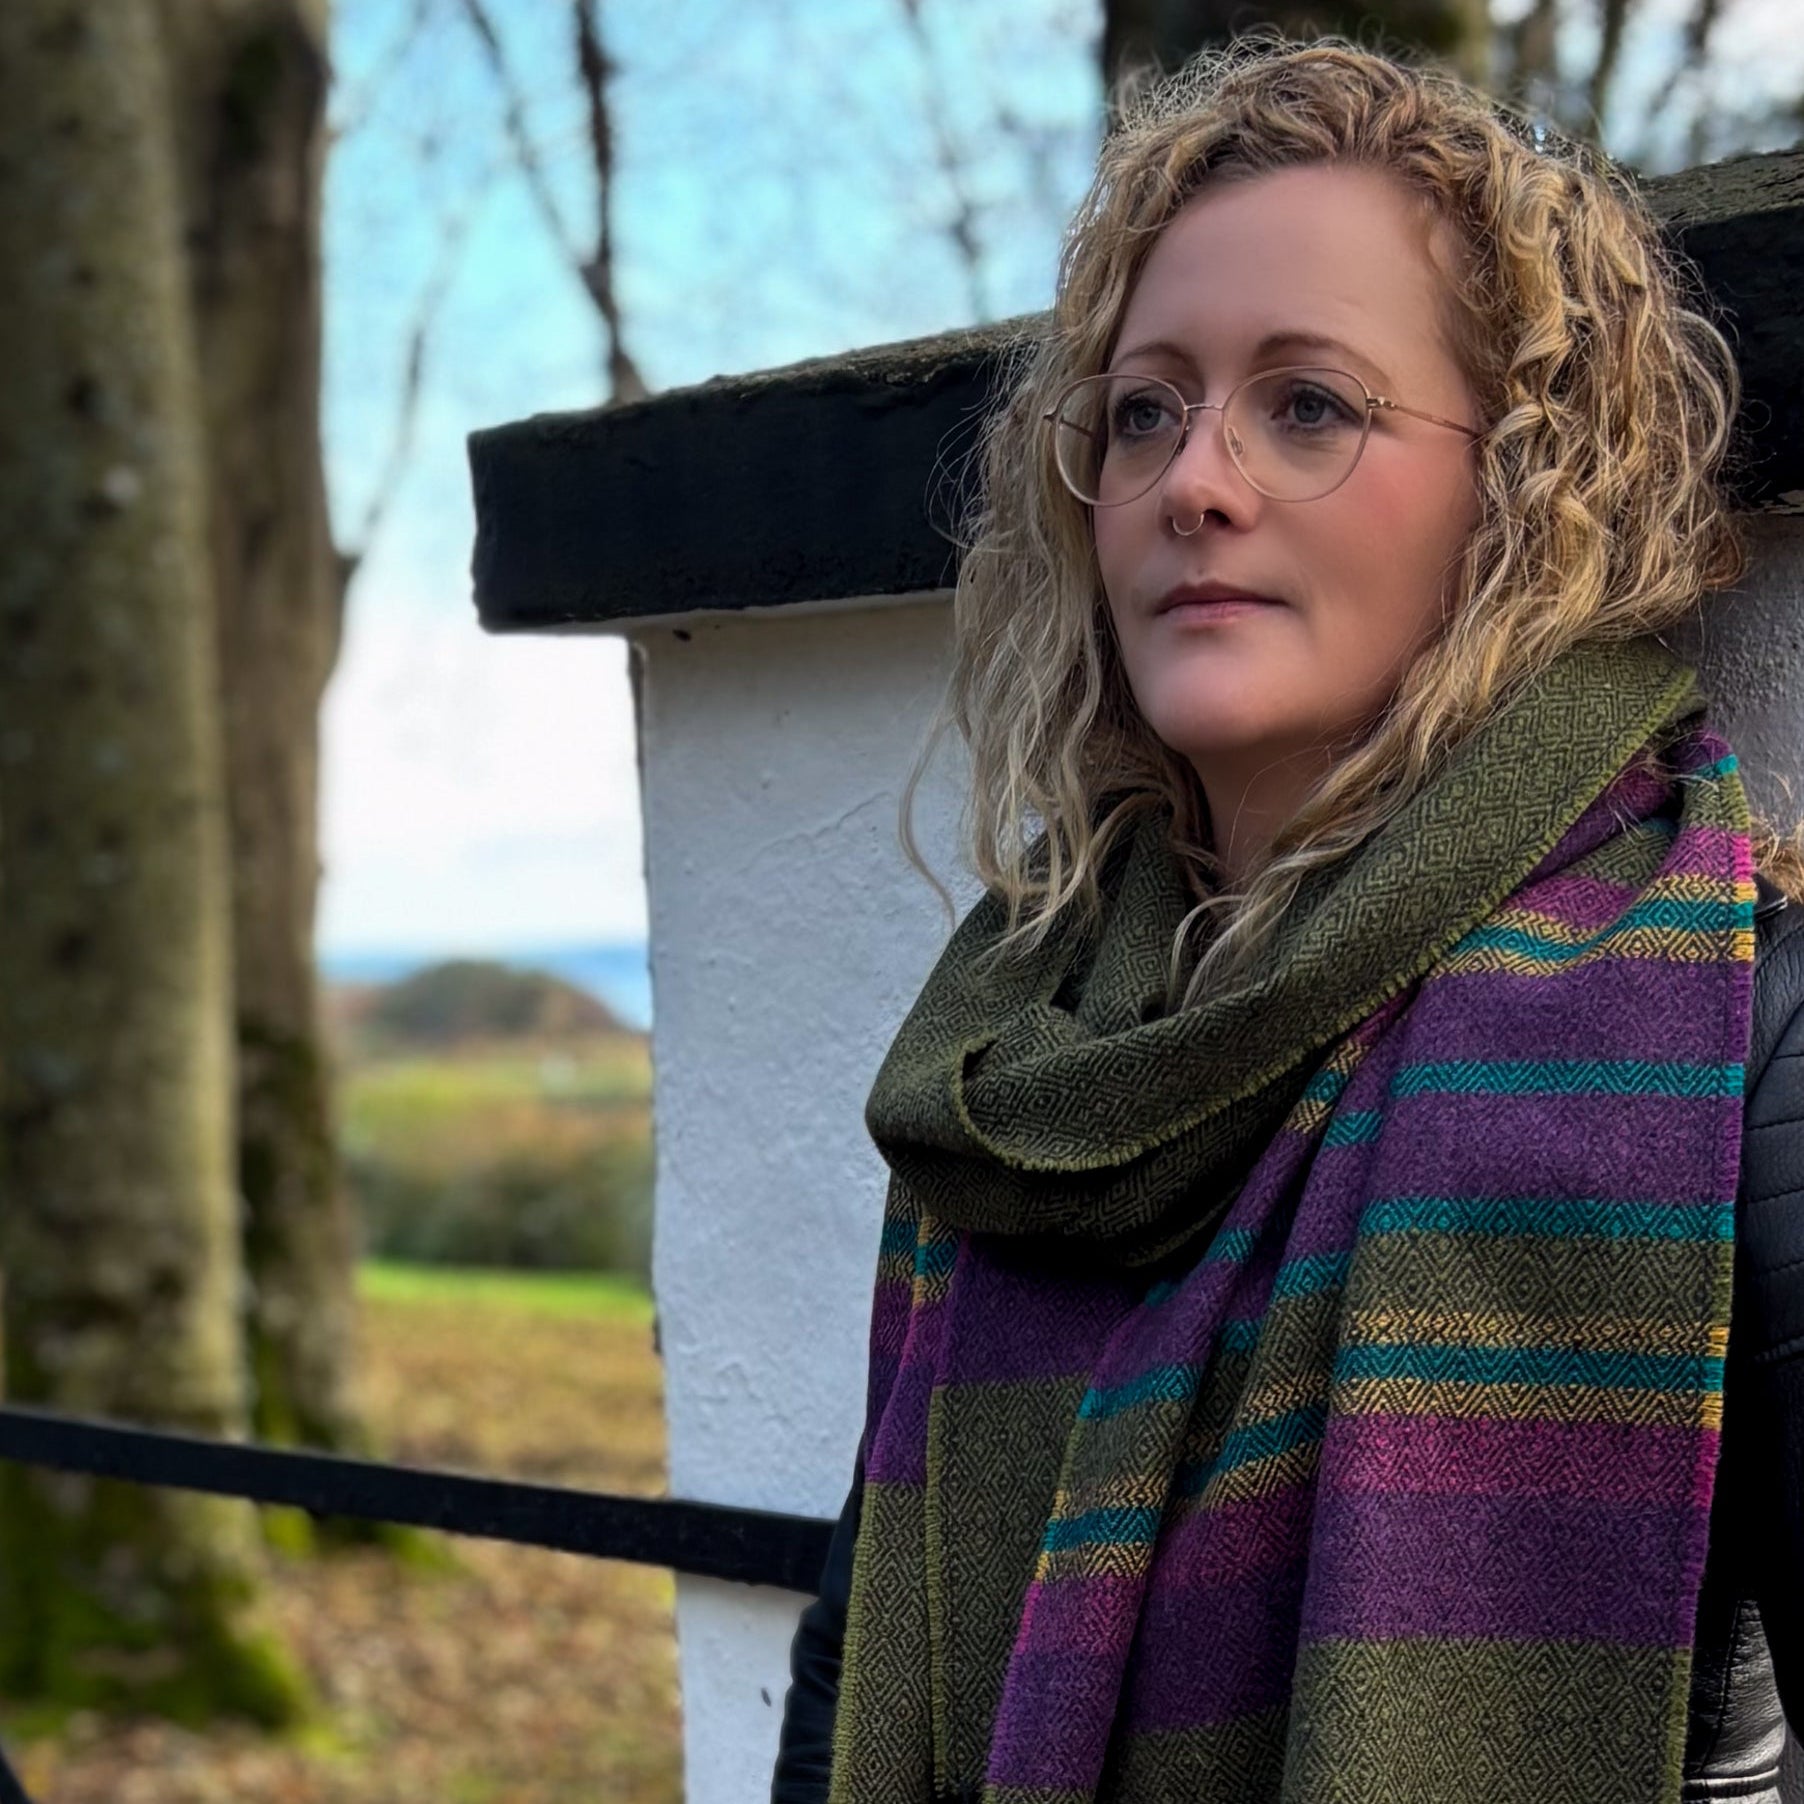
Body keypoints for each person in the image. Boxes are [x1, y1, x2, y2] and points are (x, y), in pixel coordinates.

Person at [772, 36, 1804, 1804]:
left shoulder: (1729, 1033)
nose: (1197, 482)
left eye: (1310, 404)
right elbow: (856, 1662)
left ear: (1522, 485)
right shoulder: (1017, 1060)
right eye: (1145, 408)